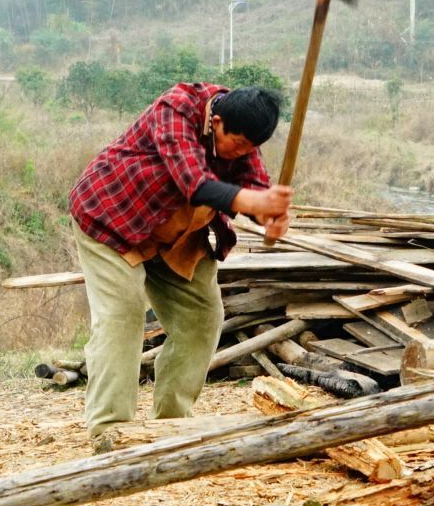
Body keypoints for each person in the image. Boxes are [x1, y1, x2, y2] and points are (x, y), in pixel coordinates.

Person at [69, 83, 292, 451]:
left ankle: (171, 426)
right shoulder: (176, 110)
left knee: (202, 318)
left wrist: (270, 214)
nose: (240, 153)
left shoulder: (242, 133)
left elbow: (253, 183)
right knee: (122, 317)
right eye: (235, 145)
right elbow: (196, 184)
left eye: (248, 149)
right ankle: (110, 431)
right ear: (216, 122)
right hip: (111, 219)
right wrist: (255, 201)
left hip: (176, 231)